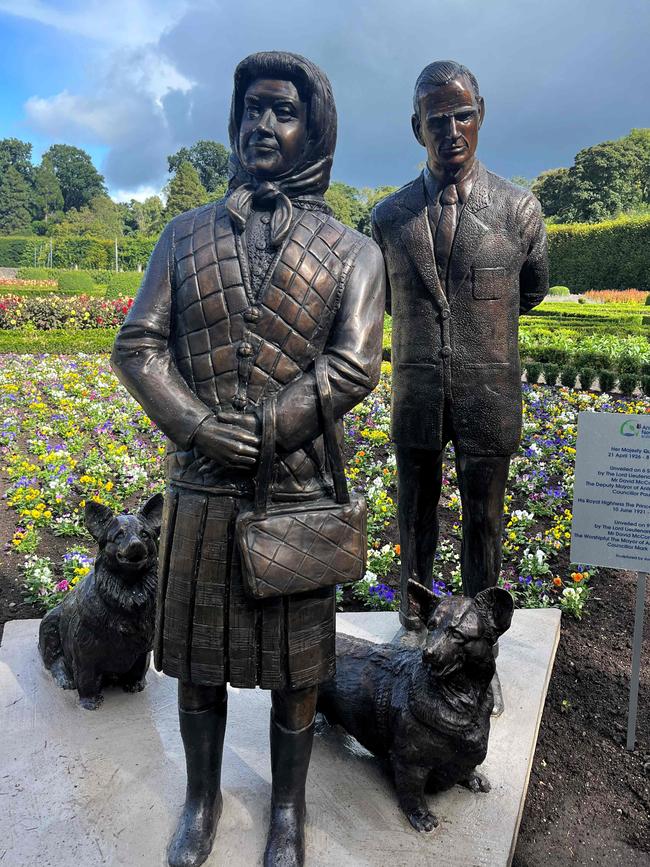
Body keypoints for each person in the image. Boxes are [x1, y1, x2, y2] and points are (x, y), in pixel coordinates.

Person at [111, 51, 384, 867]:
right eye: (253, 111)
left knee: (296, 668)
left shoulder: (353, 252)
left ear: (314, 128)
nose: (264, 126)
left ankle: (289, 812)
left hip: (292, 490)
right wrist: (194, 424)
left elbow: (352, 364)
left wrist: (265, 427)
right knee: (197, 659)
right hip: (199, 487)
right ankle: (201, 799)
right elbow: (139, 345)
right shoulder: (182, 234)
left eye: (283, 112)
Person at [371, 60, 547, 709]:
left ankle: (478, 653)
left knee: (485, 525)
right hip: (417, 393)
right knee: (413, 516)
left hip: (488, 393)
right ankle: (414, 629)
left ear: (481, 114)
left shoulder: (519, 210)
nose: (452, 130)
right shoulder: (388, 218)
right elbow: (387, 300)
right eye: (437, 119)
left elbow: (531, 289)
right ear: (416, 126)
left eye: (463, 114)